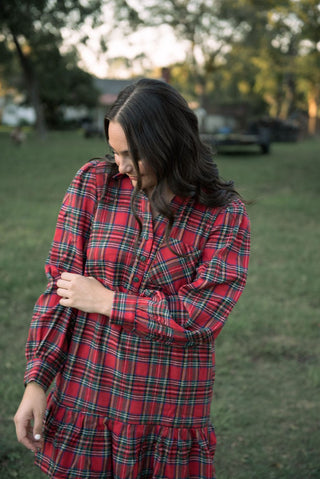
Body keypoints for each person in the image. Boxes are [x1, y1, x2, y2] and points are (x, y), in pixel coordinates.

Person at [14, 78, 250, 479]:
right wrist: (37, 381)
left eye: (131, 155)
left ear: (168, 143)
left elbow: (200, 316)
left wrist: (108, 301)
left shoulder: (224, 215)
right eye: (115, 151)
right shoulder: (94, 184)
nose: (120, 165)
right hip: (87, 391)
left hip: (165, 407)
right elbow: (59, 289)